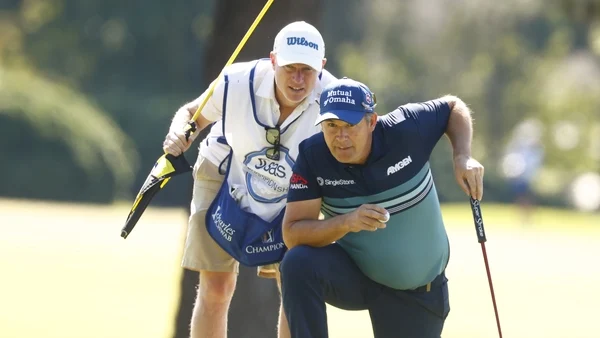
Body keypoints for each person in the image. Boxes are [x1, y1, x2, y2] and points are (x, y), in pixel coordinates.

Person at [162, 21, 335, 338]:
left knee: (295, 289)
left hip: (294, 193)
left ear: (321, 67)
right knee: (216, 287)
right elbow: (191, 114)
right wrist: (179, 133)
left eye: (307, 70)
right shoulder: (235, 81)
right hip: (223, 173)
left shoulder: (335, 98)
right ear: (273, 61)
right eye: (289, 68)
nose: (298, 79)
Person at [279, 77, 485, 338]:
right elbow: (293, 233)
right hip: (357, 275)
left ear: (371, 121)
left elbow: (452, 107)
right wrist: (346, 222)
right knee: (297, 263)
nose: (340, 137)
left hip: (416, 292)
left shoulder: (407, 128)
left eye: (349, 125)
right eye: (331, 125)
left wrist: (462, 155)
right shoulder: (313, 156)